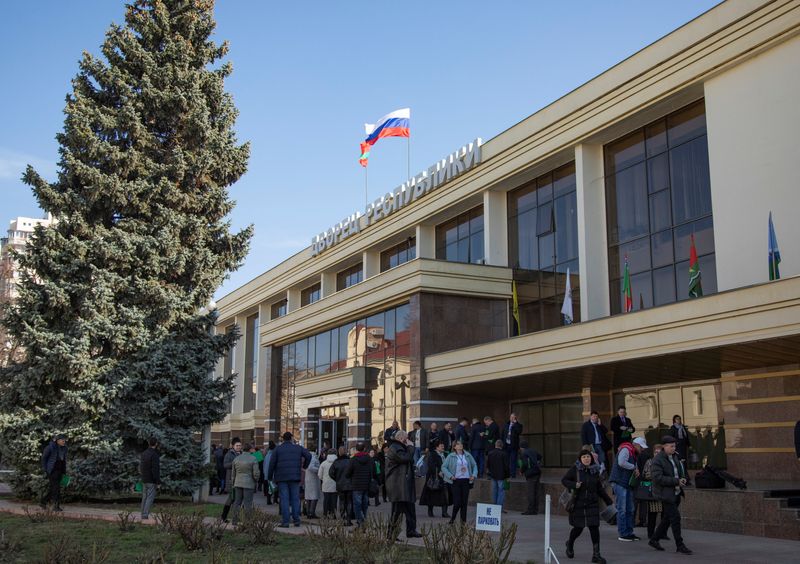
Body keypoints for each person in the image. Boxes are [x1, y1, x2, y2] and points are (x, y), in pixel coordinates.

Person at [562, 449, 613, 564]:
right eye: (584, 457)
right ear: (580, 459)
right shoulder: (575, 469)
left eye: (588, 457)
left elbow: (599, 488)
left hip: (592, 504)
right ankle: (570, 544)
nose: (586, 459)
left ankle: (596, 555)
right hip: (578, 504)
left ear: (591, 458)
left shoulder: (594, 471)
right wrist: (574, 485)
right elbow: (564, 480)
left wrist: (608, 500)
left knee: (594, 528)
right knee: (578, 528)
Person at [648, 436, 692, 555]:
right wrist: (676, 481)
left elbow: (678, 472)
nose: (674, 448)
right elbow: (657, 478)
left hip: (676, 492)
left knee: (667, 518)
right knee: (675, 518)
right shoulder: (658, 460)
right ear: (664, 446)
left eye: (674, 446)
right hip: (665, 494)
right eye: (671, 446)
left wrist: (682, 479)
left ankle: (654, 539)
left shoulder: (675, 456)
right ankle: (680, 544)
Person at [267, 431, 312, 528]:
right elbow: (309, 455)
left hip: (281, 478)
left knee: (284, 499)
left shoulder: (278, 449)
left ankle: (286, 521)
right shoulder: (298, 448)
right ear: (291, 438)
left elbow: (271, 464)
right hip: (295, 477)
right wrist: (304, 467)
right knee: (295, 499)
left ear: (283, 439)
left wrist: (270, 477)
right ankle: (296, 520)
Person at [385, 430, 422, 538]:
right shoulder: (395, 447)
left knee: (410, 509)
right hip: (398, 486)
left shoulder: (399, 447)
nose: (409, 441)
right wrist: (411, 447)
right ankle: (391, 534)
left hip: (404, 485)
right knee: (397, 511)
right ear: (401, 439)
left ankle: (411, 530)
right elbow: (406, 458)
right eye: (407, 439)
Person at [609, 435, 647, 542]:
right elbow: (621, 462)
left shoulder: (632, 452)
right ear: (636, 445)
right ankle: (623, 533)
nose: (642, 449)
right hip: (620, 482)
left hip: (626, 484)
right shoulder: (626, 449)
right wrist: (634, 467)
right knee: (623, 509)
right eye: (641, 447)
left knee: (630, 509)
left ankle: (629, 532)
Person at [636, 443, 669, 541]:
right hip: (654, 491)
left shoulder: (666, 462)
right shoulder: (650, 462)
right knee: (653, 513)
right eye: (655, 452)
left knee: (665, 513)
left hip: (664, 491)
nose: (657, 454)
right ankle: (651, 533)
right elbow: (645, 474)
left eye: (659, 452)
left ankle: (663, 533)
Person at [441, 440, 477, 524]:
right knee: (457, 502)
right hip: (455, 481)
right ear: (454, 447)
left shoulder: (468, 455)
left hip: (466, 481)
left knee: (464, 503)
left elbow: (474, 465)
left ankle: (463, 522)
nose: (460, 445)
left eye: (461, 443)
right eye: (458, 444)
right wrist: (450, 476)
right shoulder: (451, 456)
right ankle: (453, 518)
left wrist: (474, 475)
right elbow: (443, 467)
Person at [230, 443, 261, 526]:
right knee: (248, 503)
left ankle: (234, 520)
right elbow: (256, 473)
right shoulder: (253, 459)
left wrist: (233, 483)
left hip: (238, 483)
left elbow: (233, 474)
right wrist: (256, 480)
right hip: (249, 483)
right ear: (250, 449)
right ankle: (248, 521)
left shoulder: (236, 459)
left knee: (237, 502)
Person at [346, 441, 375, 526]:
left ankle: (360, 521)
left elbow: (347, 473)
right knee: (364, 504)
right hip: (366, 485)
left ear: (356, 449)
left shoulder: (353, 460)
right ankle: (363, 520)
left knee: (357, 505)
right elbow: (373, 471)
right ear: (364, 449)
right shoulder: (369, 459)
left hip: (356, 485)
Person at [419, 439, 449, 518]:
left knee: (445, 495)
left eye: (443, 446)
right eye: (441, 446)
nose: (443, 447)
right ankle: (430, 511)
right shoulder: (432, 454)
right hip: (434, 477)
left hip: (444, 477)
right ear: (436, 447)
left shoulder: (445, 454)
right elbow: (432, 465)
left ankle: (444, 512)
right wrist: (438, 471)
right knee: (431, 495)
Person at [40, 434, 67, 512]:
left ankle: (43, 501)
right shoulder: (50, 447)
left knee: (53, 488)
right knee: (56, 489)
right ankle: (56, 506)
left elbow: (63, 460)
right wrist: (46, 470)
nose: (64, 441)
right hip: (52, 471)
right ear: (57, 441)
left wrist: (64, 471)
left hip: (60, 470)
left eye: (64, 440)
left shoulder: (64, 448)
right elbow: (44, 459)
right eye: (62, 440)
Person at [330, 446, 354, 525]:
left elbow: (331, 473)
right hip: (350, 484)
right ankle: (348, 519)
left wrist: (337, 479)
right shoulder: (350, 461)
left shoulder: (336, 462)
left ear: (339, 453)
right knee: (349, 502)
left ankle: (343, 519)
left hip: (340, 485)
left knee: (342, 502)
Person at [220, 437, 242, 522]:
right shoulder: (229, 454)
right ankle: (224, 516)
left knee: (237, 499)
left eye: (240, 445)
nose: (239, 447)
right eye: (237, 445)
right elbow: (225, 465)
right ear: (233, 446)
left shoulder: (242, 454)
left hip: (240, 480)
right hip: (231, 480)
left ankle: (234, 517)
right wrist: (234, 463)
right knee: (232, 499)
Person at [139, 437, 160, 520]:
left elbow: (141, 466)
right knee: (150, 497)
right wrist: (158, 482)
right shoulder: (155, 455)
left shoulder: (144, 453)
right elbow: (155, 469)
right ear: (156, 444)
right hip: (151, 480)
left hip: (144, 478)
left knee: (144, 497)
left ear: (149, 443)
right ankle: (145, 514)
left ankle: (142, 513)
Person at [519, 440, 542, 515]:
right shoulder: (533, 450)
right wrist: (537, 463)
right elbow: (540, 456)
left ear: (522, 447)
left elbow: (525, 464)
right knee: (536, 492)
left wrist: (521, 471)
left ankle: (530, 510)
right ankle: (535, 509)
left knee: (531, 493)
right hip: (537, 473)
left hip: (530, 474)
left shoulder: (524, 453)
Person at [487, 440, 510, 509]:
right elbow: (506, 466)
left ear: (495, 445)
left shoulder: (490, 453)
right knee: (501, 491)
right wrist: (507, 476)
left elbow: (488, 465)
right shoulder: (504, 454)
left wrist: (489, 473)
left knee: (494, 491)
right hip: (501, 476)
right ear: (501, 446)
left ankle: (494, 507)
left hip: (493, 475)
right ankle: (499, 508)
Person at [318, 447, 339, 517]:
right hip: (335, 484)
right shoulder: (337, 462)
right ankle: (334, 514)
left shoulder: (323, 463)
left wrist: (323, 479)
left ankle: (325, 514)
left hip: (326, 484)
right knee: (334, 500)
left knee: (326, 500)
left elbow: (319, 475)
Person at [502, 413, 523, 477]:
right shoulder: (506, 425)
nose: (511, 418)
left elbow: (519, 432)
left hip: (513, 445)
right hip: (506, 445)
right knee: (506, 460)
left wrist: (515, 423)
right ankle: (507, 473)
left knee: (513, 460)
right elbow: (502, 434)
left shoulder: (518, 425)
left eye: (513, 417)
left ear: (515, 418)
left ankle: (512, 474)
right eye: (511, 417)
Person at [304, 451, 321, 519]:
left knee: (308, 497)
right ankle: (311, 513)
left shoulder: (307, 458)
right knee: (314, 497)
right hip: (313, 480)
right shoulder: (313, 458)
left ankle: (309, 513)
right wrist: (318, 470)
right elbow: (311, 467)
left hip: (308, 479)